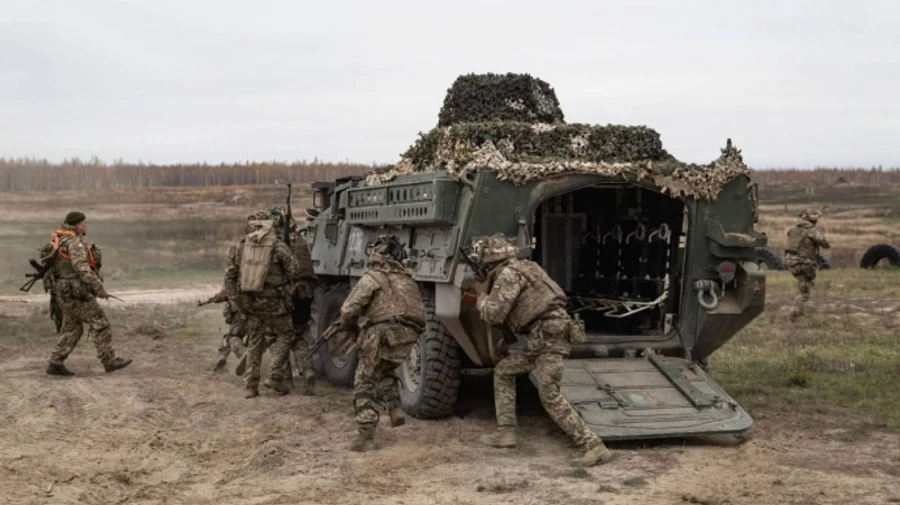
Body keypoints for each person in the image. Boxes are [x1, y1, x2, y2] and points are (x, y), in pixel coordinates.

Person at [470, 234, 612, 467]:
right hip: (544, 337)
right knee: (504, 371)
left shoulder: (507, 275)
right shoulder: (529, 267)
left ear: (490, 262)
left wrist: (481, 295)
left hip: (548, 337)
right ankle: (506, 431)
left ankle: (593, 445)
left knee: (549, 394)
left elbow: (493, 314)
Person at [339, 235, 425, 452]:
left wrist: (351, 327)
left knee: (364, 380)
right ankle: (395, 408)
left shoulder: (372, 278)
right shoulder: (408, 279)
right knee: (383, 369)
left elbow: (348, 310)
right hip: (408, 337)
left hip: (383, 334)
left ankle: (366, 435)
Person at [223, 210, 301, 398]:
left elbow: (229, 277)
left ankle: (251, 385)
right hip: (275, 303)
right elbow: (295, 271)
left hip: (250, 303)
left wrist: (237, 301)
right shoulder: (277, 246)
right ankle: (274, 375)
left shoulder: (240, 248)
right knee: (286, 334)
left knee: (255, 340)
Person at [44, 211, 132, 375]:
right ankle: (109, 360)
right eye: (84, 223)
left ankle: (55, 363)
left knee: (73, 328)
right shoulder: (74, 243)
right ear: (77, 225)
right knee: (100, 321)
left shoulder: (60, 240)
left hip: (63, 291)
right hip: (76, 292)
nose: (86, 226)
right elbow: (82, 268)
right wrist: (98, 287)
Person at [287, 215, 317, 395]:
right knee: (299, 336)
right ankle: (307, 370)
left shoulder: (281, 245)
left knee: (281, 338)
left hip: (289, 295)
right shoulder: (303, 241)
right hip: (306, 294)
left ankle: (286, 381)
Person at [784, 208, 830, 321]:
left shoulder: (793, 229)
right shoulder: (812, 230)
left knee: (802, 285)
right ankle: (793, 315)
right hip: (803, 262)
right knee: (805, 289)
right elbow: (825, 244)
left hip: (790, 262)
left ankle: (799, 311)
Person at [201, 281, 249, 373]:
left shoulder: (236, 274)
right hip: (261, 312)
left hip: (240, 313)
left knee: (231, 338)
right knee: (257, 339)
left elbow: (224, 293)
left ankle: (241, 353)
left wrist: (212, 299)